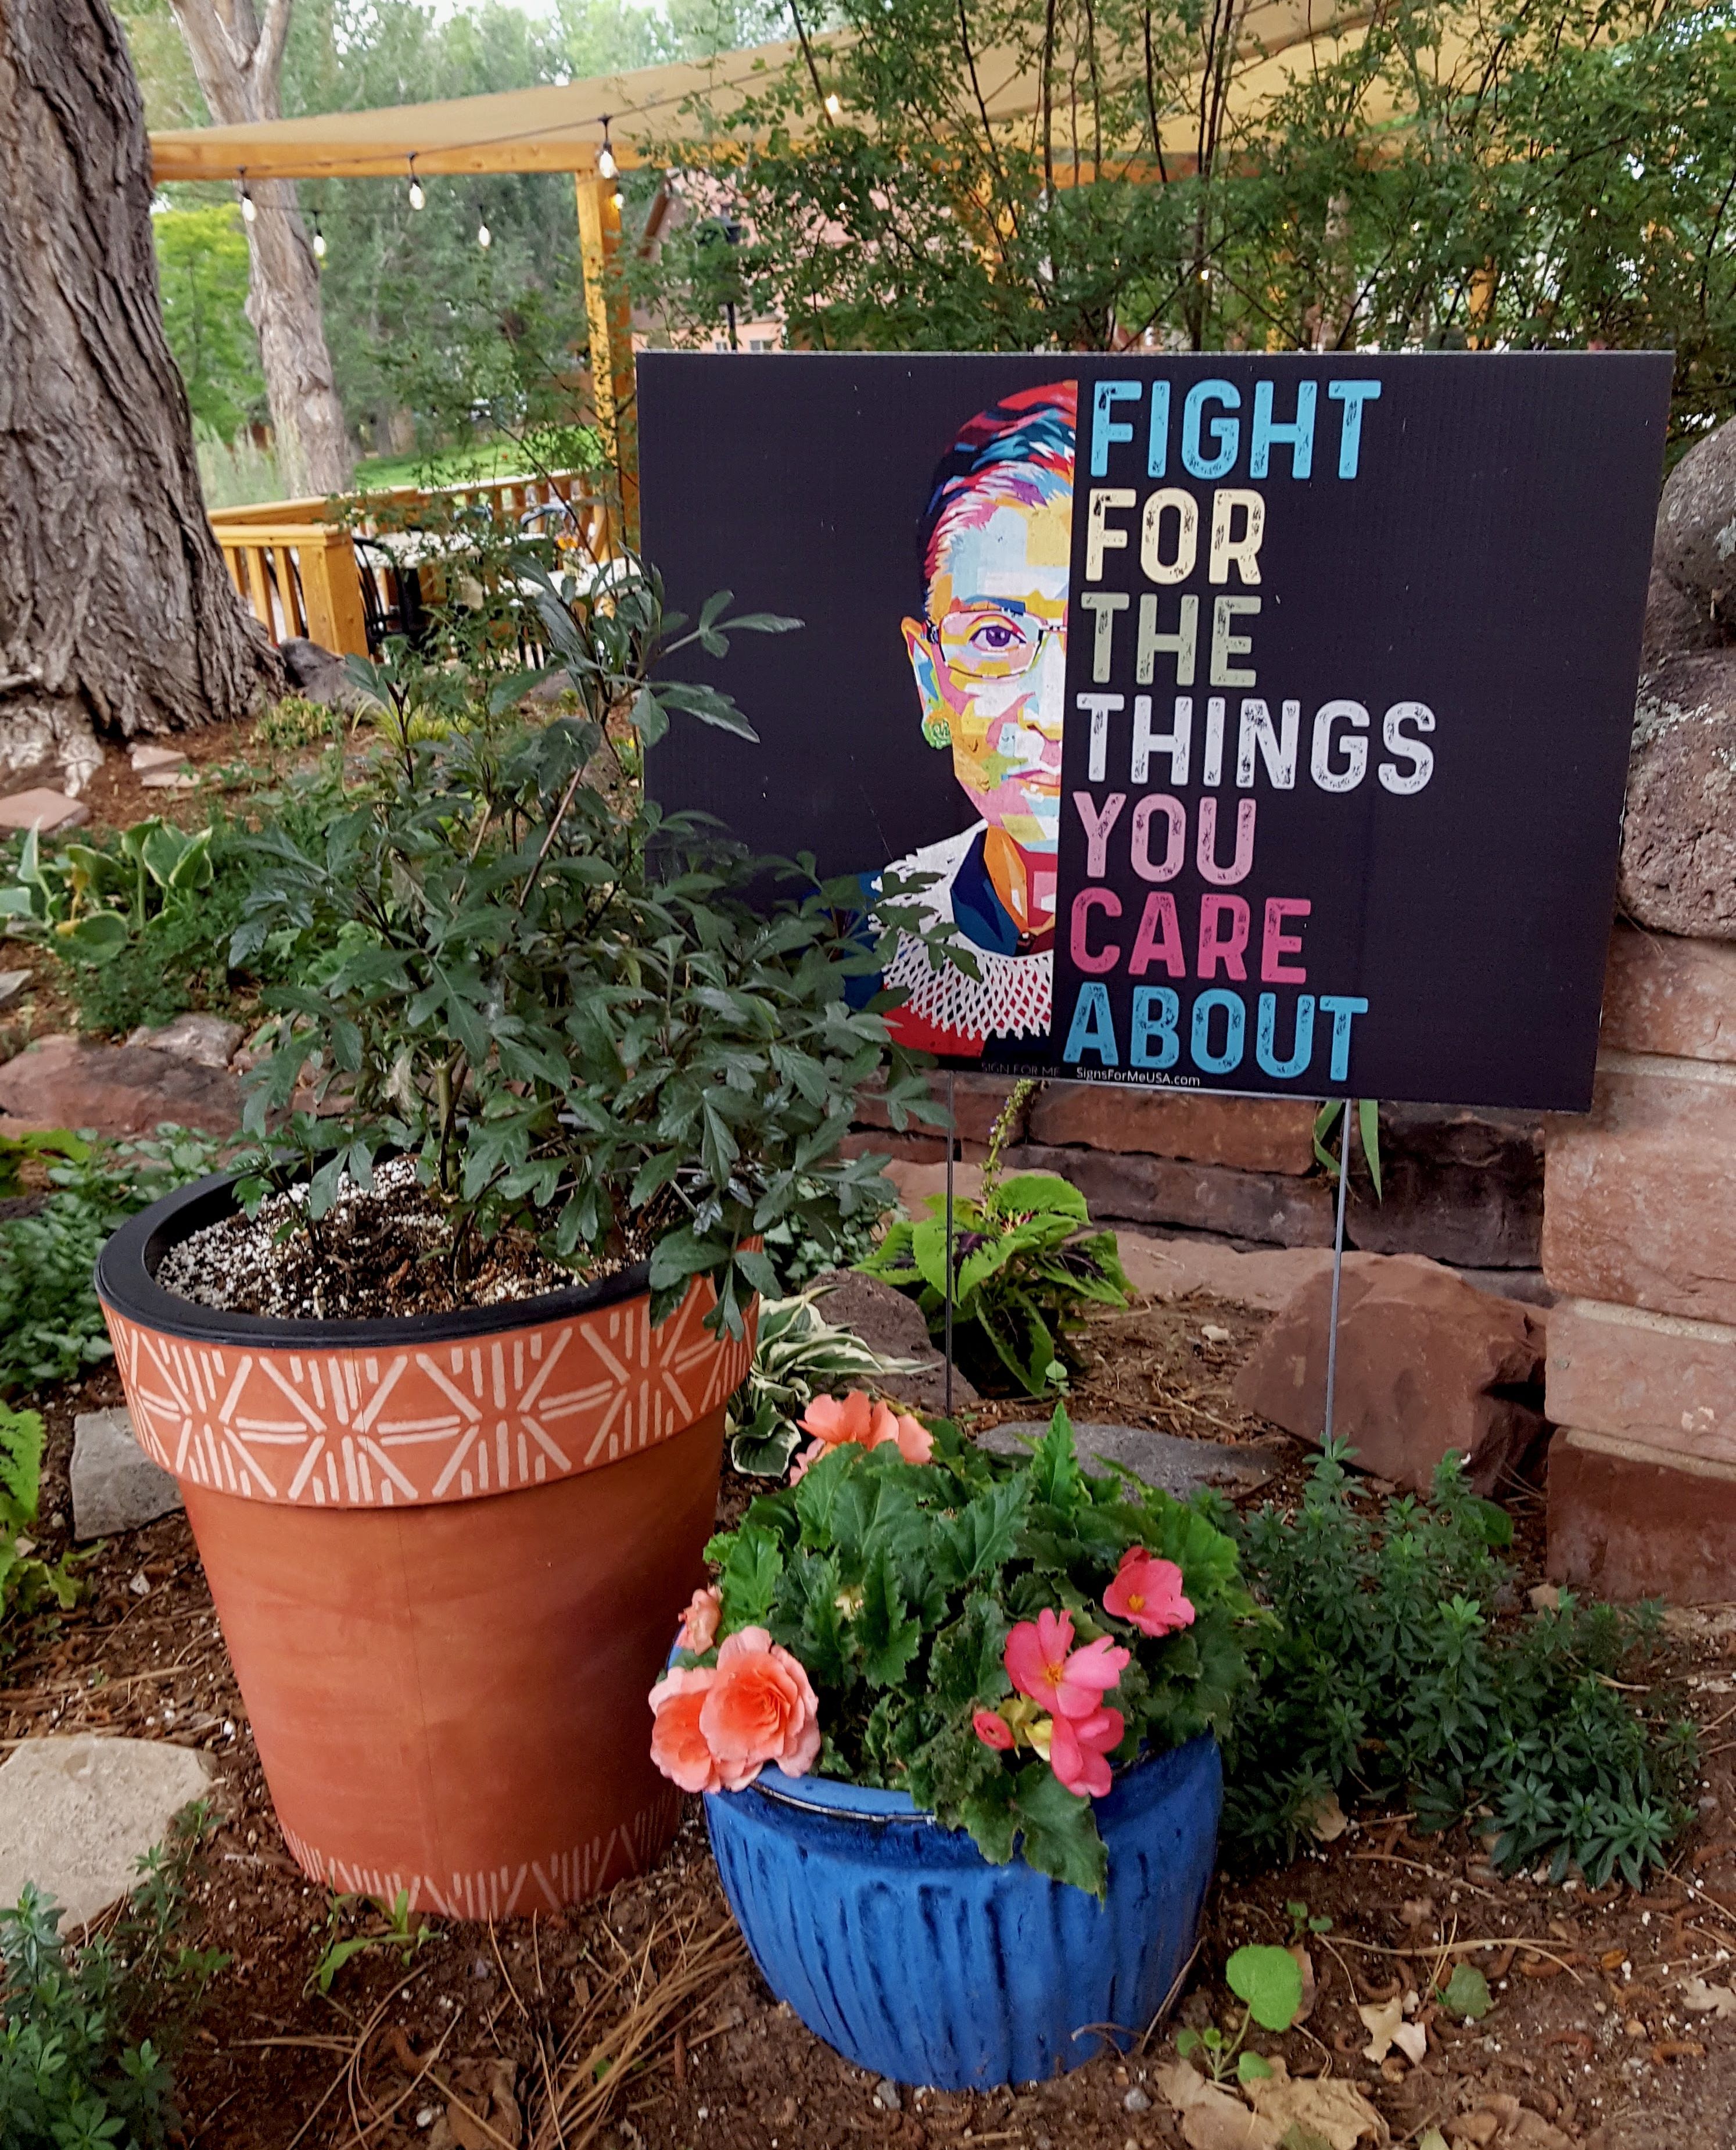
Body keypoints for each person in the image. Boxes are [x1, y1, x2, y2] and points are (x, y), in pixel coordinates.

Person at [870, 381, 1075, 1057]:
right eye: (994, 637)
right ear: (931, 680)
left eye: (1104, 640)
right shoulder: (866, 939)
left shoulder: (1233, 955)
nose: (1051, 713)